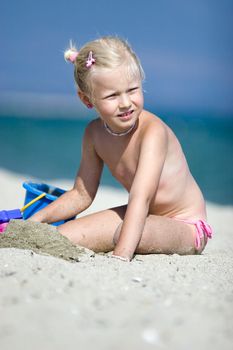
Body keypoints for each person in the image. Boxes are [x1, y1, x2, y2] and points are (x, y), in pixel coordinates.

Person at [30, 36, 212, 261]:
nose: (125, 102)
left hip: (185, 225)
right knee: (60, 237)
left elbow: (141, 197)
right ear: (87, 100)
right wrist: (35, 221)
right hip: (143, 214)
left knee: (126, 235)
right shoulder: (94, 134)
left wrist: (121, 256)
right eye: (112, 95)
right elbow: (80, 194)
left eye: (132, 90)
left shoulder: (152, 131)